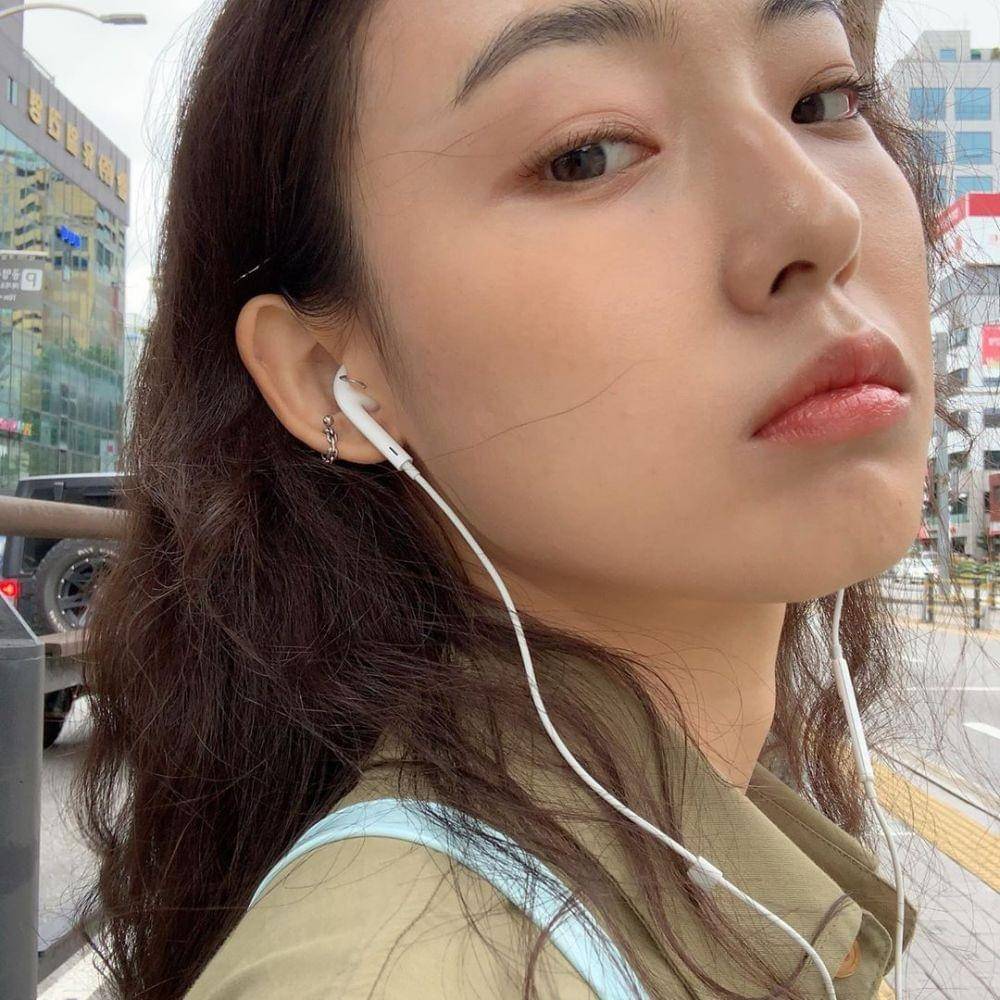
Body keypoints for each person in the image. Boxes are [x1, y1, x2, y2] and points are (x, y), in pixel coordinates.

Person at [72, 0, 954, 997]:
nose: (819, 216)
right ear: (329, 376)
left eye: (822, 101)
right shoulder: (389, 977)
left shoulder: (716, 844)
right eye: (586, 155)